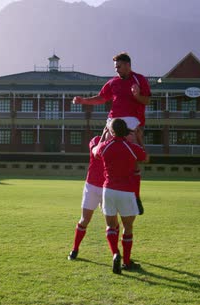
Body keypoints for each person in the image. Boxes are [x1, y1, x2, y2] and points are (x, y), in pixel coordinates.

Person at [73, 52, 151, 214]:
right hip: (112, 122)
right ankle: (104, 194)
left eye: (119, 67)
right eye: (115, 67)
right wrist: (83, 101)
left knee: (134, 159)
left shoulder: (139, 79)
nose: (117, 70)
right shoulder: (112, 82)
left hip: (131, 122)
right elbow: (101, 98)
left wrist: (137, 95)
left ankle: (136, 197)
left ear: (128, 65)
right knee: (103, 156)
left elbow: (147, 100)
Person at [94, 119, 148, 274]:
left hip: (109, 190)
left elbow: (95, 152)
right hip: (127, 191)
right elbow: (144, 158)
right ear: (125, 131)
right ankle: (127, 261)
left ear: (112, 131)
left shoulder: (105, 147)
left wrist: (104, 136)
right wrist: (139, 139)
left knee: (111, 226)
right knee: (128, 227)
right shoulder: (131, 147)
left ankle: (115, 253)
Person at [67, 136, 105, 261]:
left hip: (108, 186)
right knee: (85, 219)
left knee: (112, 222)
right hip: (92, 185)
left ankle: (116, 253)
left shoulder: (118, 143)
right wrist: (105, 135)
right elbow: (96, 153)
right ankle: (75, 248)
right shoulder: (96, 140)